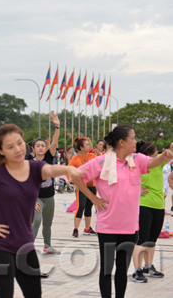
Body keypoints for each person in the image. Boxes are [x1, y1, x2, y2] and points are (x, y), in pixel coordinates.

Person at [0, 123, 84, 298]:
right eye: (10, 146)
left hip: (25, 246)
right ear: (0, 151)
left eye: (19, 142)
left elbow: (51, 169)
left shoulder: (35, 168)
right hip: (0, 245)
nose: (17, 149)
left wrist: (68, 168)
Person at [71, 125, 173, 298]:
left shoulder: (137, 159)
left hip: (129, 227)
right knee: (106, 270)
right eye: (132, 138)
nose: (135, 141)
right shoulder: (100, 161)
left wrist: (164, 157)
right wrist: (93, 198)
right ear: (122, 142)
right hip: (107, 226)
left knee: (122, 270)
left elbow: (152, 162)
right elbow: (75, 176)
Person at [131, 141, 170, 283]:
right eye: (155, 153)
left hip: (159, 206)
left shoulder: (159, 164)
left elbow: (168, 156)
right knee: (142, 238)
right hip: (143, 205)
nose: (158, 155)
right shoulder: (137, 165)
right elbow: (125, 179)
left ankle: (148, 267)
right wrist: (135, 188)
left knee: (152, 239)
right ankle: (137, 270)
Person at [30, 112, 61, 254]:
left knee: (47, 223)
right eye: (38, 146)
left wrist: (57, 127)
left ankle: (47, 246)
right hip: (36, 198)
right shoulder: (29, 163)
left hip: (49, 197)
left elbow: (54, 143)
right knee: (36, 221)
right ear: (33, 149)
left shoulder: (49, 157)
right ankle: (28, 247)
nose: (41, 147)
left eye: (43, 145)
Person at [68, 137, 97, 237]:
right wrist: (73, 183)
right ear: (81, 147)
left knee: (89, 206)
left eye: (89, 145)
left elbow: (93, 150)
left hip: (92, 185)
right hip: (81, 186)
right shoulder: (75, 158)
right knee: (81, 206)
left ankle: (87, 228)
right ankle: (75, 229)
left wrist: (89, 141)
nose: (89, 146)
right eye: (87, 145)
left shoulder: (92, 156)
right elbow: (68, 170)